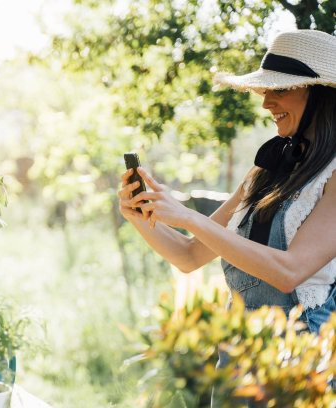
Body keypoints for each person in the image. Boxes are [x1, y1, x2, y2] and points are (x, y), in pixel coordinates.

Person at [118, 29, 336, 404]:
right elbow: (189, 256)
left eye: (279, 90)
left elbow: (289, 272)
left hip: (298, 355)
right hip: (240, 349)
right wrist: (140, 214)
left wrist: (189, 217)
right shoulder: (267, 170)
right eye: (266, 90)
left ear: (318, 94)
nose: (266, 102)